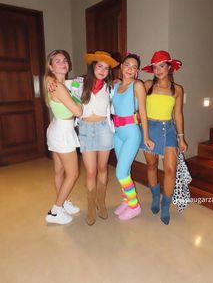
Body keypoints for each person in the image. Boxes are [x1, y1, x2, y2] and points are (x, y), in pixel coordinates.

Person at [140, 50, 188, 225]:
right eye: (155, 67)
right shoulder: (146, 85)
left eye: (162, 66)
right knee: (152, 165)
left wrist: (181, 138)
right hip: (150, 128)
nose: (158, 70)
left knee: (170, 169)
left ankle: (165, 204)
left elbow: (179, 115)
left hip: (168, 129)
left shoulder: (177, 90)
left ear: (169, 67)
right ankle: (155, 196)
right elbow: (132, 96)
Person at [112, 53, 154, 221]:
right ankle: (126, 200)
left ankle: (134, 205)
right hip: (118, 133)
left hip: (131, 133)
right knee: (126, 170)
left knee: (120, 173)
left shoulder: (138, 85)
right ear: (121, 67)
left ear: (137, 71)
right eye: (127, 65)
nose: (130, 69)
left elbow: (143, 112)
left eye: (134, 67)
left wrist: (146, 136)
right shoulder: (115, 85)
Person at [79, 51, 119, 226]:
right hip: (86, 130)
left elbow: (127, 89)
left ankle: (101, 202)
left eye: (106, 67)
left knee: (103, 168)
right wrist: (51, 83)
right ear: (93, 66)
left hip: (104, 130)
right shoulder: (78, 83)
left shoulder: (111, 87)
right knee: (90, 171)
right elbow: (57, 84)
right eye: (99, 66)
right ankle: (90, 206)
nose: (103, 70)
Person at [44, 50, 83, 225]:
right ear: (51, 66)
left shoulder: (55, 82)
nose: (63, 63)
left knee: (60, 171)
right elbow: (78, 111)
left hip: (57, 128)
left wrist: (74, 85)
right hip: (63, 131)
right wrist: (77, 94)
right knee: (73, 173)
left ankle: (63, 201)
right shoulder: (58, 86)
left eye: (65, 60)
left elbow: (52, 80)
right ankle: (55, 211)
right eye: (57, 61)